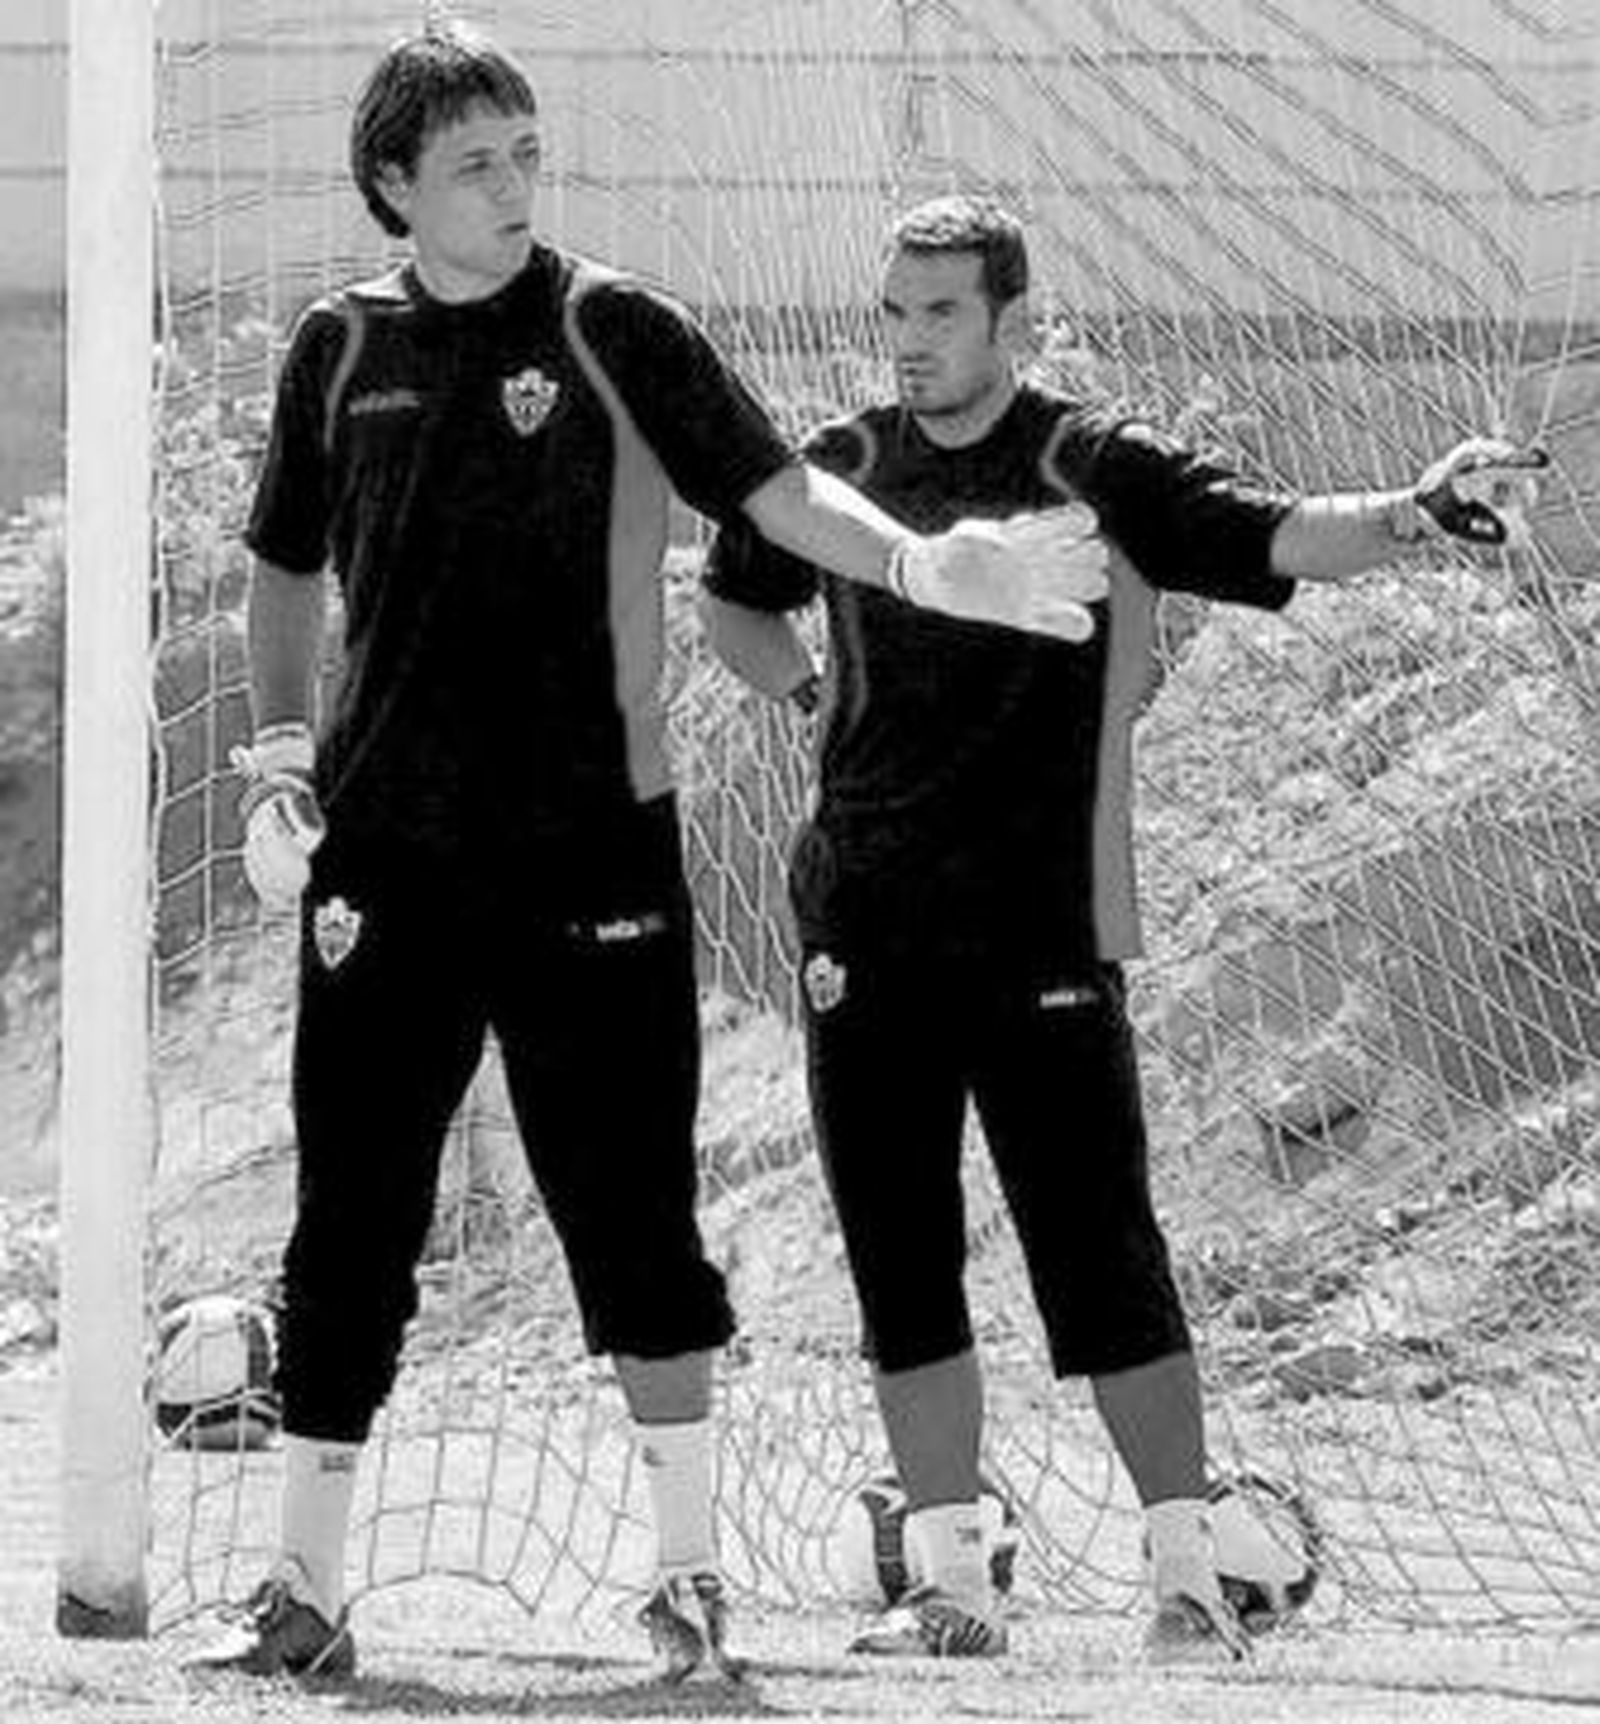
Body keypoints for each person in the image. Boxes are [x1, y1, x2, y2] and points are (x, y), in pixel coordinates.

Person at [189, 33, 1110, 1687]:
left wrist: (925, 569)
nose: (516, 182)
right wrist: (277, 770)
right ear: (393, 182)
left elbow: (786, 498)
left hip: (590, 855)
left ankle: (689, 1581)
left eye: (528, 151)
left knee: (629, 1217)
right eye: (478, 160)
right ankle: (302, 1594)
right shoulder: (337, 345)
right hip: (385, 862)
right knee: (349, 1226)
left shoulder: (618, 327)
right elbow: (282, 569)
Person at [703, 194, 1544, 1662]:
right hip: (861, 926)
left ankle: (1184, 1575)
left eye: (940, 312)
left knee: (1098, 1253)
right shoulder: (837, 471)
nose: (909, 341)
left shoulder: (1097, 464)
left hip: (1043, 932)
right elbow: (736, 604)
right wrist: (806, 700)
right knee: (901, 1258)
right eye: (894, 312)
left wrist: (1415, 514)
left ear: (1013, 325)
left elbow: (1270, 533)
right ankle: (952, 1585)